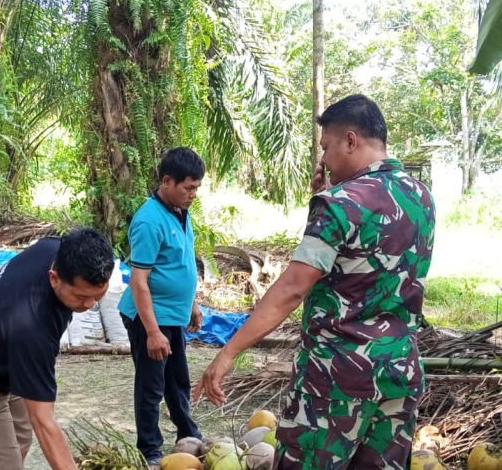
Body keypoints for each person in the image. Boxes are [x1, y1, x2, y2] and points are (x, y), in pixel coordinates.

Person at [193, 94, 436, 470]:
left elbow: (292, 288)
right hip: (399, 373)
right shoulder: (421, 197)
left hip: (337, 382)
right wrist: (323, 200)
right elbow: (365, 263)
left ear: (351, 140)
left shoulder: (339, 203)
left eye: (326, 147)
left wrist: (227, 353)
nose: (323, 160)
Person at [0, 228, 114, 470]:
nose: (90, 304)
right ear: (54, 278)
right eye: (81, 297)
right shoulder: (32, 327)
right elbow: (43, 420)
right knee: (4, 465)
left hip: (8, 360)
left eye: (98, 295)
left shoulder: (55, 248)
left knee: (20, 440)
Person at [118, 147, 206, 469]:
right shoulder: (148, 221)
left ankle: (188, 434)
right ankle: (150, 449)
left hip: (173, 314)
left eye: (197, 188)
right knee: (151, 386)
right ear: (167, 181)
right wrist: (152, 332)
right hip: (149, 318)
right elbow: (139, 282)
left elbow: (181, 263)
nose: (194, 194)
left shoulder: (182, 212)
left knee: (177, 380)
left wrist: (192, 304)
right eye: (189, 188)